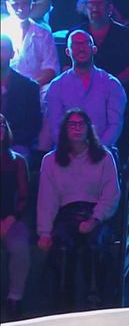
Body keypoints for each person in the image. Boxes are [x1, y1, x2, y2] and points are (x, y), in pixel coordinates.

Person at [37, 108, 120, 310]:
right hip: (66, 215)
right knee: (63, 246)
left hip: (96, 215)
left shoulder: (104, 157)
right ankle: (63, 306)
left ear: (88, 128)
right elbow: (47, 199)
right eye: (72, 124)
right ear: (65, 129)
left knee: (95, 246)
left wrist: (94, 219)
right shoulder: (50, 160)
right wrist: (44, 232)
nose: (76, 128)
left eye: (81, 124)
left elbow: (111, 194)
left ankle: (96, 304)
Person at [45, 30, 126, 149]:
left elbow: (115, 125)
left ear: (94, 49)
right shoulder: (56, 86)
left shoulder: (112, 84)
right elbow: (55, 126)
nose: (81, 48)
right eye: (76, 44)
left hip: (103, 152)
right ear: (68, 52)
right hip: (66, 153)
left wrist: (97, 150)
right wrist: (73, 152)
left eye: (85, 43)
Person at [78, 0, 129, 102]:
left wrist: (108, 85)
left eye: (99, 4)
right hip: (83, 94)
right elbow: (67, 67)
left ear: (110, 8)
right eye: (91, 4)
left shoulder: (125, 35)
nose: (95, 8)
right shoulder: (76, 34)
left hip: (116, 93)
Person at [0, 114, 31, 321]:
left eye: (2, 124)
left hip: (12, 219)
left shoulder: (17, 161)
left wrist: (10, 219)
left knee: (20, 247)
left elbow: (24, 196)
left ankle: (15, 298)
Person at [6, 0, 59, 88]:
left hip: (35, 88)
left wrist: (30, 87)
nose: (20, 9)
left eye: (25, 4)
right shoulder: (2, 31)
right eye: (15, 4)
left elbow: (51, 69)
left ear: (32, 6)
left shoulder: (44, 34)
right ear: (8, 6)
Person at [0, 33, 41, 156]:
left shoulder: (28, 87)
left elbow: (33, 125)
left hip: (16, 144)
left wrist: (6, 138)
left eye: (3, 49)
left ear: (12, 54)